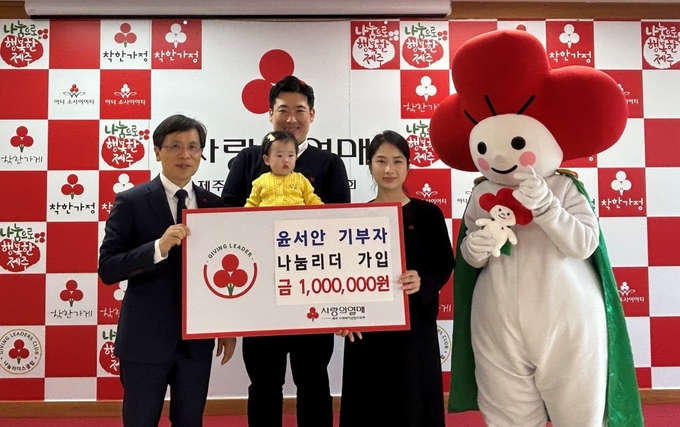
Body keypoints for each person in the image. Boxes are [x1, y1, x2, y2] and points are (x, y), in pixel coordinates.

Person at [221, 75, 350, 427]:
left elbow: (342, 224)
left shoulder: (329, 164)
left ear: (312, 114)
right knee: (264, 382)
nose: (291, 118)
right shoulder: (248, 160)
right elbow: (227, 217)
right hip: (261, 291)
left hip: (313, 291)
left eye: (299, 110)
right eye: (283, 110)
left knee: (314, 380)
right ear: (270, 114)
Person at [99, 114, 237, 427]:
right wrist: (157, 248)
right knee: (140, 421)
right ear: (157, 151)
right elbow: (107, 268)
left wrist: (227, 325)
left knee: (190, 421)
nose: (185, 154)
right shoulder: (131, 201)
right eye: (175, 146)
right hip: (144, 340)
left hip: (196, 341)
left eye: (193, 147)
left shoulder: (214, 205)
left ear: (202, 153)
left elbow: (225, 270)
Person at [337, 130, 455, 427]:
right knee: (369, 407)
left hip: (414, 328)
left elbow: (444, 263)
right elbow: (340, 274)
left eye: (397, 161)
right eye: (381, 161)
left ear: (408, 166)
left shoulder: (428, 214)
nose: (389, 169)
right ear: (369, 165)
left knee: (414, 404)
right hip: (366, 330)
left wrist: (422, 280)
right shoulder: (354, 218)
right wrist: (342, 314)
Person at [245, 131, 322, 207]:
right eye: (279, 156)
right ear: (267, 160)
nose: (286, 160)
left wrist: (324, 211)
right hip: (269, 215)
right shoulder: (260, 181)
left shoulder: (301, 180)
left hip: (297, 215)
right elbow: (252, 203)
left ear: (296, 157)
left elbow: (312, 199)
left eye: (290, 155)